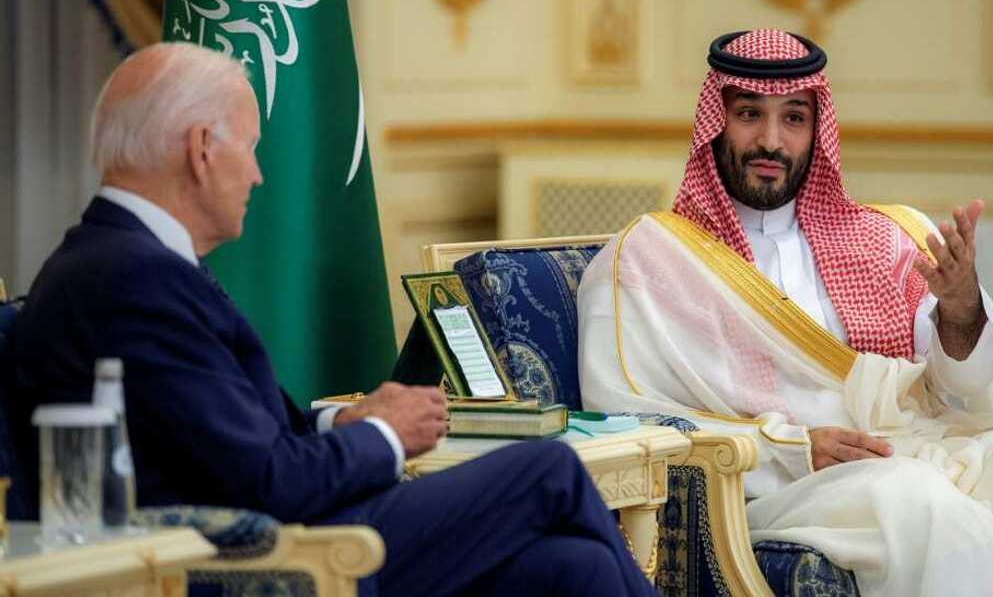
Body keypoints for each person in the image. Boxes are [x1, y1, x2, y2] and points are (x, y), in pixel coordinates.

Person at [4, 42, 659, 597]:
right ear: (203, 148)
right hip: (274, 558)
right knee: (550, 471)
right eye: (252, 149)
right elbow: (266, 481)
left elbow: (227, 435)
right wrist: (387, 435)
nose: (259, 176)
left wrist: (338, 420)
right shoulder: (133, 279)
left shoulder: (116, 260)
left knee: (577, 567)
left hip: (289, 525)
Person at [577, 28, 993, 597]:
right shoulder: (651, 258)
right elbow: (622, 420)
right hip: (781, 484)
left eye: (793, 118)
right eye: (748, 114)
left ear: (817, 131)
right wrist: (790, 449)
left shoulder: (884, 238)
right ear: (716, 121)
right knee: (924, 508)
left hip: (926, 448)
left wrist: (961, 311)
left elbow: (966, 399)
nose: (771, 140)